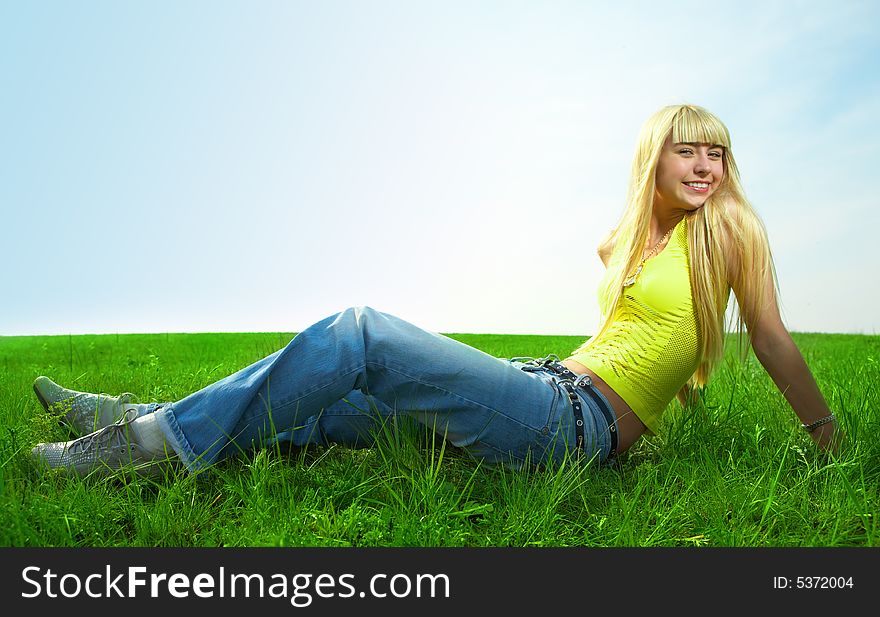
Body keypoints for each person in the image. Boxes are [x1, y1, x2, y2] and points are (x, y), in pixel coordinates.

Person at [30, 104, 840, 478]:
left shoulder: (732, 230)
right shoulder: (639, 236)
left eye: (718, 154)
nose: (706, 167)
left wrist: (827, 437)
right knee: (320, 407)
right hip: (545, 381)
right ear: (653, 160)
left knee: (362, 334)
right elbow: (639, 313)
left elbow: (768, 336)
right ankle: (127, 413)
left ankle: (135, 449)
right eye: (688, 152)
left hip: (573, 428)